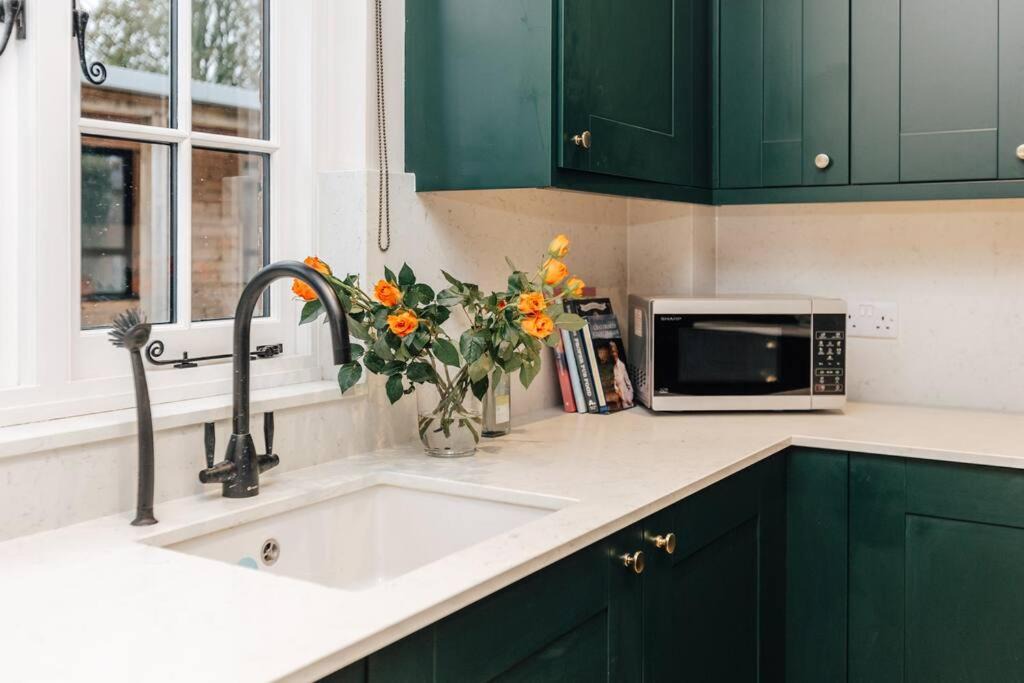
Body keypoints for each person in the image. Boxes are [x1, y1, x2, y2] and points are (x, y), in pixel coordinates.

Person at [610, 341, 634, 408]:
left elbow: (628, 382)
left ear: (617, 351)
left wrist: (628, 399)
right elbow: (615, 383)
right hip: (620, 397)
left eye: (614, 351)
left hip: (626, 397)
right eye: (612, 352)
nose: (613, 354)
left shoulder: (621, 365)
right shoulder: (614, 367)